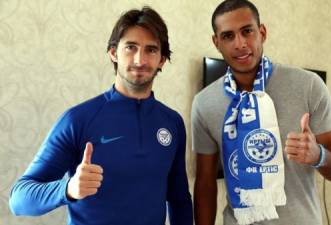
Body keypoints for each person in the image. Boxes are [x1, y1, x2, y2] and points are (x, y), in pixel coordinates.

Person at [9, 6, 193, 225]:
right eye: (131, 47)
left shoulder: (172, 122)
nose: (139, 60)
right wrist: (67, 188)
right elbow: (19, 198)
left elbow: (179, 198)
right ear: (113, 52)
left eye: (151, 50)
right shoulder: (77, 120)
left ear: (162, 59)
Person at [192, 0, 331, 225]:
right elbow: (205, 183)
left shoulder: (308, 86)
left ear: (262, 32)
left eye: (247, 31)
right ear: (216, 42)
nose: (240, 44)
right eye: (228, 36)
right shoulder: (204, 103)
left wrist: (319, 155)